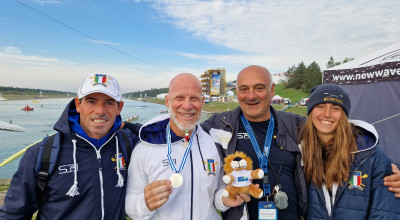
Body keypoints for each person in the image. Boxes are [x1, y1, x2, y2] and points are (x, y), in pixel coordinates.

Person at [201, 65, 400, 220]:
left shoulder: (298, 126)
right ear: (237, 92)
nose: (251, 96)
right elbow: (182, 143)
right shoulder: (217, 126)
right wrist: (222, 200)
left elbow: (345, 142)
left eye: (259, 88)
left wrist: (394, 172)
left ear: (271, 90)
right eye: (244, 89)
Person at [0, 73, 139, 219]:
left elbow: (162, 132)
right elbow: (12, 214)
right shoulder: (42, 154)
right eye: (91, 101)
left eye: (109, 103)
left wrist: (130, 126)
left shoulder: (129, 144)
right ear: (78, 105)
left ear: (119, 108)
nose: (100, 111)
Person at [125, 73, 229, 220]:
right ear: (167, 101)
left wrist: (225, 199)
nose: (187, 106)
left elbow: (217, 196)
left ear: (203, 102)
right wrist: (144, 204)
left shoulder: (213, 143)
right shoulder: (144, 149)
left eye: (194, 98)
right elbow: (129, 203)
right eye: (179, 98)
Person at [301, 84, 400, 219]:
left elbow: (385, 212)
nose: (327, 114)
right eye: (320, 106)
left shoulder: (370, 154)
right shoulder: (298, 151)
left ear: (344, 115)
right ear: (310, 111)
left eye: (336, 108)